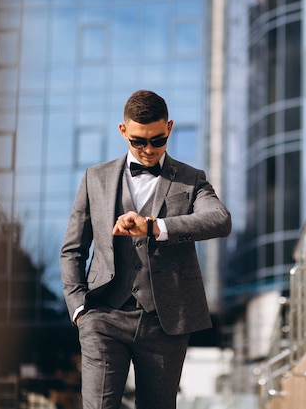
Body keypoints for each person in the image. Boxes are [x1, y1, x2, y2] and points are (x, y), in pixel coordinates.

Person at [60, 89, 232, 409]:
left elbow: (220, 220)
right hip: (104, 315)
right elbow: (72, 249)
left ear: (169, 128)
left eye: (157, 139)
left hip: (165, 322)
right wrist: (79, 308)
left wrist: (155, 227)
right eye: (139, 141)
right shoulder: (95, 179)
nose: (149, 150)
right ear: (123, 131)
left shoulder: (191, 180)